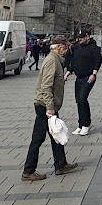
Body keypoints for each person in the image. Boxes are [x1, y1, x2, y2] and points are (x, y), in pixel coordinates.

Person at [23, 35, 77, 181]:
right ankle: (28, 170)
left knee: (56, 135)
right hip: (44, 105)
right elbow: (46, 86)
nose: (66, 51)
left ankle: (61, 164)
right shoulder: (52, 62)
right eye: (65, 48)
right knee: (38, 138)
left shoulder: (56, 60)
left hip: (48, 104)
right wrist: (50, 108)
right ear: (59, 47)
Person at [65, 31, 102, 136]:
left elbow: (98, 61)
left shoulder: (94, 48)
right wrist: (68, 73)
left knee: (82, 98)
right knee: (78, 101)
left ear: (87, 37)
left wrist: (94, 74)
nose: (80, 39)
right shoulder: (77, 47)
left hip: (88, 77)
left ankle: (86, 124)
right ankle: (80, 125)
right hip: (79, 77)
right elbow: (74, 61)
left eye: (82, 37)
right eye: (79, 37)